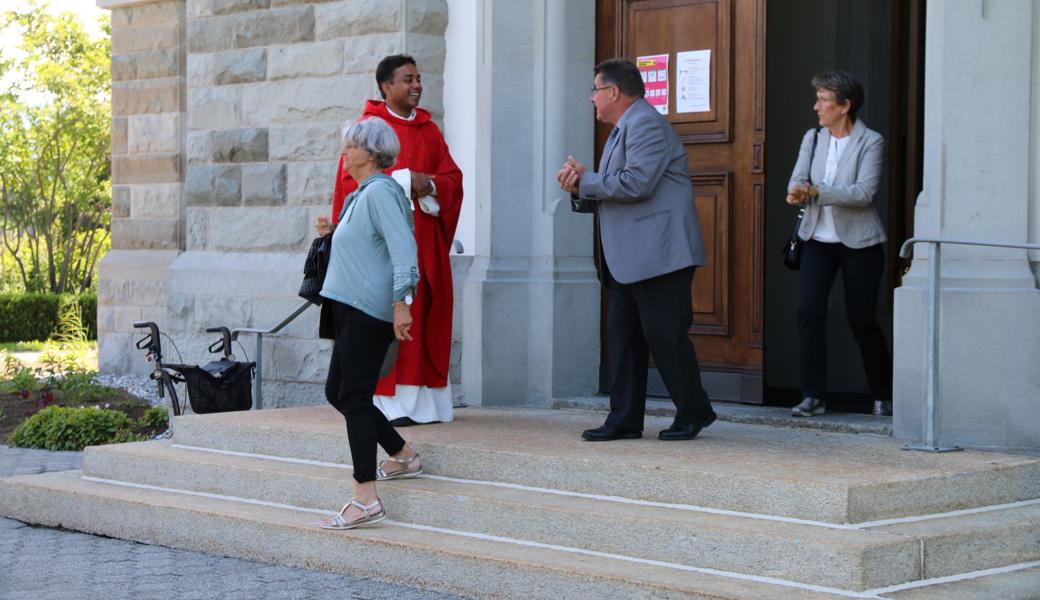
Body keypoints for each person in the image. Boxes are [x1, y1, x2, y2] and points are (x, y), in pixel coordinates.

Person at [557, 58, 717, 442]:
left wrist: (586, 182)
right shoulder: (623, 128)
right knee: (625, 338)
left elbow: (636, 183)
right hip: (630, 258)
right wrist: (582, 187)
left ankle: (694, 411)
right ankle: (624, 420)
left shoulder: (645, 122)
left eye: (595, 90)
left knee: (665, 336)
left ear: (613, 92)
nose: (591, 99)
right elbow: (617, 186)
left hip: (660, 254)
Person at [317, 54, 463, 428]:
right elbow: (350, 182)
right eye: (407, 80)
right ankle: (387, 404)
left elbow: (452, 179)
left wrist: (428, 184)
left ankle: (426, 404)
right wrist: (403, 180)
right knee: (387, 321)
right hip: (383, 248)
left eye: (418, 79)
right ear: (386, 87)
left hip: (426, 243)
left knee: (427, 317)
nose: (416, 86)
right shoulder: (367, 131)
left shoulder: (430, 130)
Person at [318, 117, 424, 530]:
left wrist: (403, 302)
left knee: (356, 398)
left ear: (369, 153)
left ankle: (366, 498)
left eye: (350, 146)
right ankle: (402, 455)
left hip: (368, 309)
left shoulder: (381, 192)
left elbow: (404, 251)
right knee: (338, 392)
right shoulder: (361, 195)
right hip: (348, 306)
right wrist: (332, 232)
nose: (344, 152)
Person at [785, 71, 892, 418]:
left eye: (823, 100)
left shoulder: (870, 141)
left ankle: (883, 394)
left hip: (860, 241)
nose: (816, 106)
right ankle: (812, 395)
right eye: (817, 98)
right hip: (816, 238)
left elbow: (863, 193)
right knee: (809, 312)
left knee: (862, 320)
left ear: (845, 106)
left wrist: (817, 192)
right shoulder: (812, 138)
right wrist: (797, 190)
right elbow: (799, 177)